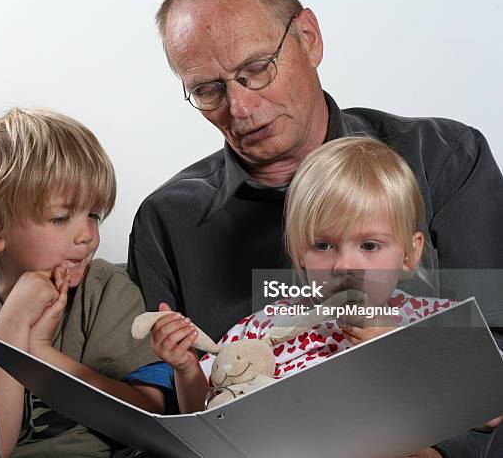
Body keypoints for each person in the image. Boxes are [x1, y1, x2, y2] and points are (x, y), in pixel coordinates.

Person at [127, 0, 503, 457]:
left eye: (257, 68)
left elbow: (491, 369)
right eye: (207, 90)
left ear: (309, 36)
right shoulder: (167, 224)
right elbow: (173, 416)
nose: (240, 109)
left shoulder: (446, 159)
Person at [0, 108, 172, 458]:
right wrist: (14, 325)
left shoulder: (105, 292)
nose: (87, 235)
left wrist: (41, 352)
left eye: (94, 215)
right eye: (60, 217)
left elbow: (152, 417)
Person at [149, 137, 458, 412]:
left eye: (369, 245)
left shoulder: (430, 321)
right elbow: (205, 420)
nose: (345, 264)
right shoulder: (264, 327)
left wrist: (400, 350)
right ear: (299, 255)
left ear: (409, 254)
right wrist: (188, 370)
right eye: (323, 245)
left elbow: (489, 412)